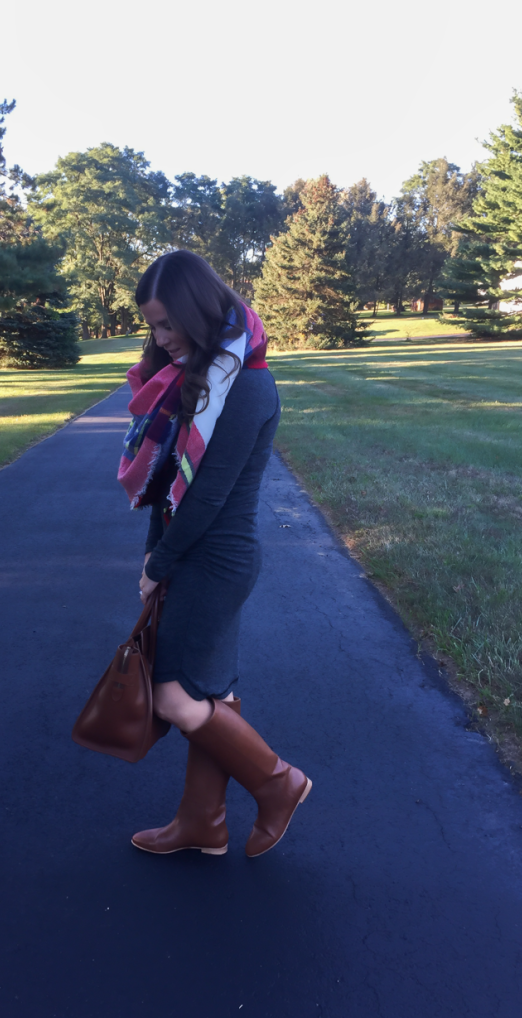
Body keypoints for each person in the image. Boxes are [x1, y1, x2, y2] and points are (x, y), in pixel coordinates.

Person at [117, 250, 311, 858]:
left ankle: (279, 783)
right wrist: (155, 555)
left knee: (174, 696)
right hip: (196, 556)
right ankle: (203, 822)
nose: (161, 337)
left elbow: (204, 500)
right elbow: (169, 489)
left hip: (216, 562)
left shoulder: (247, 386)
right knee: (215, 699)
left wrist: (158, 566)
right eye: (152, 325)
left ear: (199, 313)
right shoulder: (201, 381)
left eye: (169, 323)